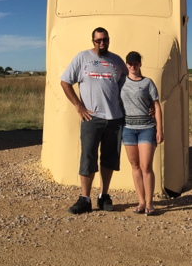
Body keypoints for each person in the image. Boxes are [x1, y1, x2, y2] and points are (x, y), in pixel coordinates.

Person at [60, 27, 127, 215]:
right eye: (98, 40)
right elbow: (65, 82)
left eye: (105, 39)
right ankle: (85, 199)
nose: (102, 43)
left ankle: (103, 196)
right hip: (91, 118)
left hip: (114, 118)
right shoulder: (82, 58)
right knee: (88, 157)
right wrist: (78, 106)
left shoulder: (117, 61)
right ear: (93, 41)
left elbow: (128, 85)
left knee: (109, 159)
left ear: (108, 40)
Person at [120, 51, 163, 216]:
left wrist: (160, 129)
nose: (133, 66)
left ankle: (150, 203)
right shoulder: (120, 81)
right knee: (135, 166)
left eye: (135, 63)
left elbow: (156, 105)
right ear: (126, 65)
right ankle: (141, 202)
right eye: (130, 63)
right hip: (128, 128)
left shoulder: (147, 83)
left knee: (146, 166)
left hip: (147, 127)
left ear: (140, 64)